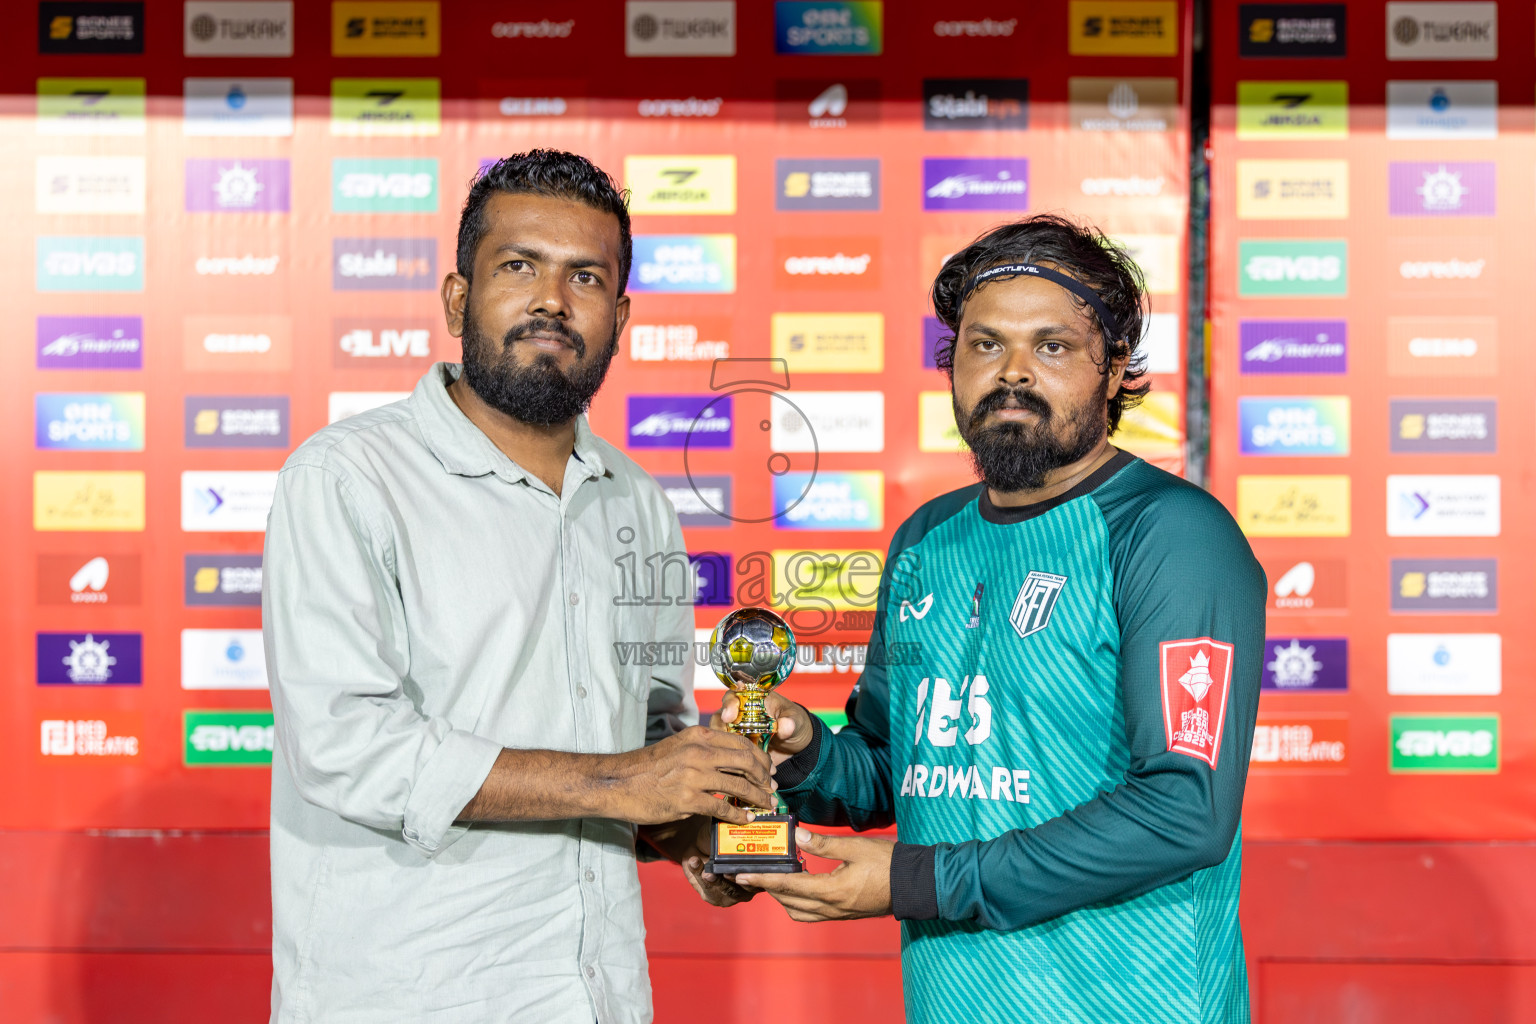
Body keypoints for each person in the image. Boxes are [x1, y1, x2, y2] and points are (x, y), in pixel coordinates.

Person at [712, 215, 1266, 1024]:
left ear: (1113, 370)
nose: (1012, 373)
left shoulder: (1171, 534)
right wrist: (798, 750)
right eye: (983, 344)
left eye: (1052, 347)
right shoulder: (927, 539)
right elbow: (891, 769)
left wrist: (917, 881)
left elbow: (1185, 811)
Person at [263, 150, 775, 1024]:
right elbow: (347, 745)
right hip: (405, 997)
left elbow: (651, 728)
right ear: (459, 297)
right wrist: (624, 784)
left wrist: (708, 835)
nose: (551, 300)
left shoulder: (638, 500)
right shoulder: (347, 477)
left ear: (619, 315)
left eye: (584, 277)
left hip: (596, 994)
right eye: (518, 266)